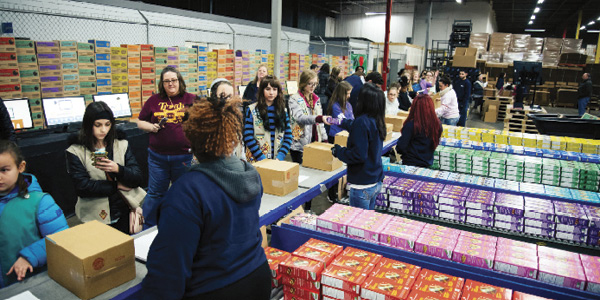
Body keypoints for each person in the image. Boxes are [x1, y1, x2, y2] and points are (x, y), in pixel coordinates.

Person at [140, 93, 270, 300]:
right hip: (258, 277)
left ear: (191, 136)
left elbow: (169, 269)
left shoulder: (187, 192)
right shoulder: (250, 173)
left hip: (214, 289)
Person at [66, 102, 144, 234]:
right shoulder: (75, 150)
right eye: (98, 125)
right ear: (88, 124)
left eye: (107, 125)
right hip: (94, 213)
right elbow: (82, 187)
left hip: (124, 208)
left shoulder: (121, 144)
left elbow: (137, 177)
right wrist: (116, 186)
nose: (103, 130)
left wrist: (118, 169)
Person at [0, 140, 68, 288]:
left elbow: (62, 237)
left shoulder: (40, 202)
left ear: (20, 167)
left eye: (4, 170)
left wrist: (30, 257)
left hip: (26, 282)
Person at [137, 66, 195, 227]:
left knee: (183, 193)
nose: (171, 84)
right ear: (162, 84)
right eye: (166, 81)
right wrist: (151, 127)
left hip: (183, 156)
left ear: (180, 81)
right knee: (155, 193)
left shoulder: (191, 99)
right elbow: (140, 121)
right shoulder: (154, 100)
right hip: (157, 157)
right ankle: (148, 227)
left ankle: (182, 225)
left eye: (174, 80)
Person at [331, 83, 385, 210]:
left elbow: (357, 155)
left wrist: (338, 151)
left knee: (358, 228)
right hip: (375, 181)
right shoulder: (377, 119)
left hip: (362, 185)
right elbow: (356, 125)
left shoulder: (362, 122)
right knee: (367, 224)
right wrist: (338, 121)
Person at [289, 70, 330, 211]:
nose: (312, 87)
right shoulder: (294, 99)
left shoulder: (316, 99)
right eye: (310, 84)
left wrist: (324, 139)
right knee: (301, 178)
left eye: (315, 84)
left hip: (314, 142)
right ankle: (297, 208)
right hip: (299, 143)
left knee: (312, 178)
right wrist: (317, 118)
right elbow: (300, 118)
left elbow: (321, 121)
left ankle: (308, 208)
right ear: (303, 83)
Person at [243, 76, 293, 162]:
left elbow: (288, 136)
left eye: (274, 89)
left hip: (277, 160)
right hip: (257, 160)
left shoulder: (282, 111)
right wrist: (262, 158)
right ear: (262, 90)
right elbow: (248, 136)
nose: (271, 93)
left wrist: (280, 157)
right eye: (268, 89)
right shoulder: (252, 110)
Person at [395, 94, 443, 167]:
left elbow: (401, 147)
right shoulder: (437, 124)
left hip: (410, 162)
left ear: (414, 107)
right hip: (427, 162)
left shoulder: (411, 125)